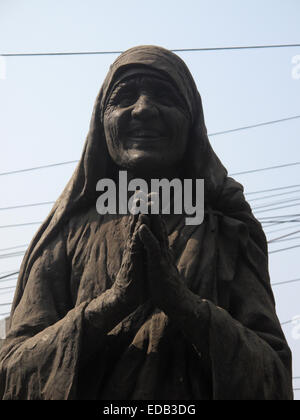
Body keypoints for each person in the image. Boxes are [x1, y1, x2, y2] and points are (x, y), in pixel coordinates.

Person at [0, 45, 293, 400]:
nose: (143, 109)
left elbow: (273, 376)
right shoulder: (66, 237)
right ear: (100, 121)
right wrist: (114, 303)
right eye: (124, 97)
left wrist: (184, 304)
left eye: (165, 96)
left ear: (192, 123)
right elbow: (13, 373)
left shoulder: (228, 234)